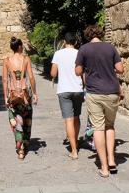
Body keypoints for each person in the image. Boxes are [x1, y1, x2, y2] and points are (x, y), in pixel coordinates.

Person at [75, 24, 124, 177]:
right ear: (100, 34)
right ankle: (112, 160)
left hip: (94, 93)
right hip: (112, 92)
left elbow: (78, 71)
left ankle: (104, 167)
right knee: (110, 126)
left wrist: (86, 67)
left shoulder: (84, 49)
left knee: (98, 128)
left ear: (88, 35)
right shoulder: (110, 48)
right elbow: (120, 69)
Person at [2, 37, 38, 160]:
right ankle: (26, 143)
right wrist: (34, 93)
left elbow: (5, 80)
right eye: (22, 46)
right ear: (19, 47)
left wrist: (5, 96)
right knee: (27, 119)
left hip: (13, 94)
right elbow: (31, 77)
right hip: (24, 95)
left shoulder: (7, 61)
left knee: (16, 121)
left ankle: (20, 149)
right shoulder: (26, 59)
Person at [50, 32, 85, 160]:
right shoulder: (79, 53)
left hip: (64, 90)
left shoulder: (58, 54)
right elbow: (83, 72)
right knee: (76, 117)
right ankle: (75, 141)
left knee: (68, 120)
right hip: (78, 88)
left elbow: (53, 73)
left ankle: (74, 150)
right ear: (75, 42)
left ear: (64, 42)